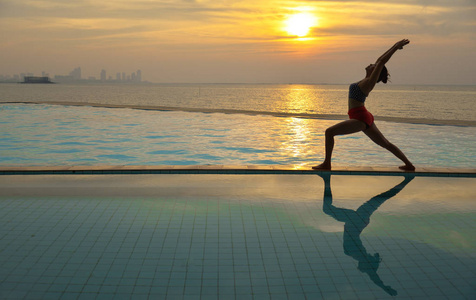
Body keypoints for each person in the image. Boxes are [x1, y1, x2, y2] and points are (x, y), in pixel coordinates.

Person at [313, 39, 415, 171]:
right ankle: (409, 164)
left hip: (360, 118)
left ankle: (327, 164)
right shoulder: (365, 80)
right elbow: (379, 60)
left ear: (375, 72)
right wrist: (393, 47)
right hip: (364, 116)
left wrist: (395, 47)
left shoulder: (369, 83)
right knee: (385, 143)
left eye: (374, 65)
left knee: (329, 132)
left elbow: (381, 61)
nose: (372, 64)